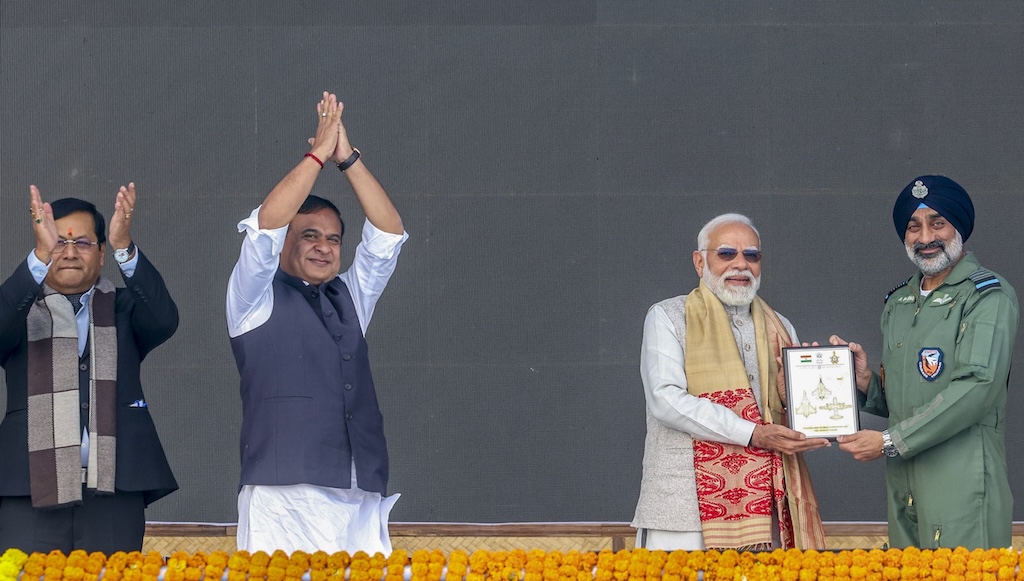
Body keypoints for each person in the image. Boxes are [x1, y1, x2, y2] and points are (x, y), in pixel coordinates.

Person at [227, 92, 408, 554]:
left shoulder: (351, 297)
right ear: (285, 244)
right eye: (309, 235)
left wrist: (347, 159)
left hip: (359, 491)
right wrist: (316, 156)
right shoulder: (253, 297)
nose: (324, 247)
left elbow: (388, 235)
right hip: (284, 497)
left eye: (333, 239)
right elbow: (265, 226)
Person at [833, 175, 1018, 549]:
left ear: (958, 227)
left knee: (962, 573)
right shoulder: (898, 302)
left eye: (938, 223)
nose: (925, 237)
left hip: (961, 482)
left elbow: (976, 388)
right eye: (913, 226)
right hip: (904, 483)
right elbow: (912, 395)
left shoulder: (987, 296)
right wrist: (866, 381)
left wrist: (889, 441)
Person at [632, 213, 830, 551]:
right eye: (726, 253)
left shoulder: (780, 326)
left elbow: (791, 414)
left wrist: (792, 399)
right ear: (699, 262)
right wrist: (752, 433)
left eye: (751, 255)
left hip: (763, 510)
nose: (741, 264)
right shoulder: (668, 316)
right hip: (682, 510)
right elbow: (665, 400)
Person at [0, 184, 179, 553]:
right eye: (58, 243)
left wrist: (124, 246)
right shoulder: (20, 310)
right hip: (29, 487)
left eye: (82, 243)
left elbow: (164, 319)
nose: (69, 252)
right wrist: (38, 255)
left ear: (100, 254)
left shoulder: (124, 308)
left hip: (113, 488)